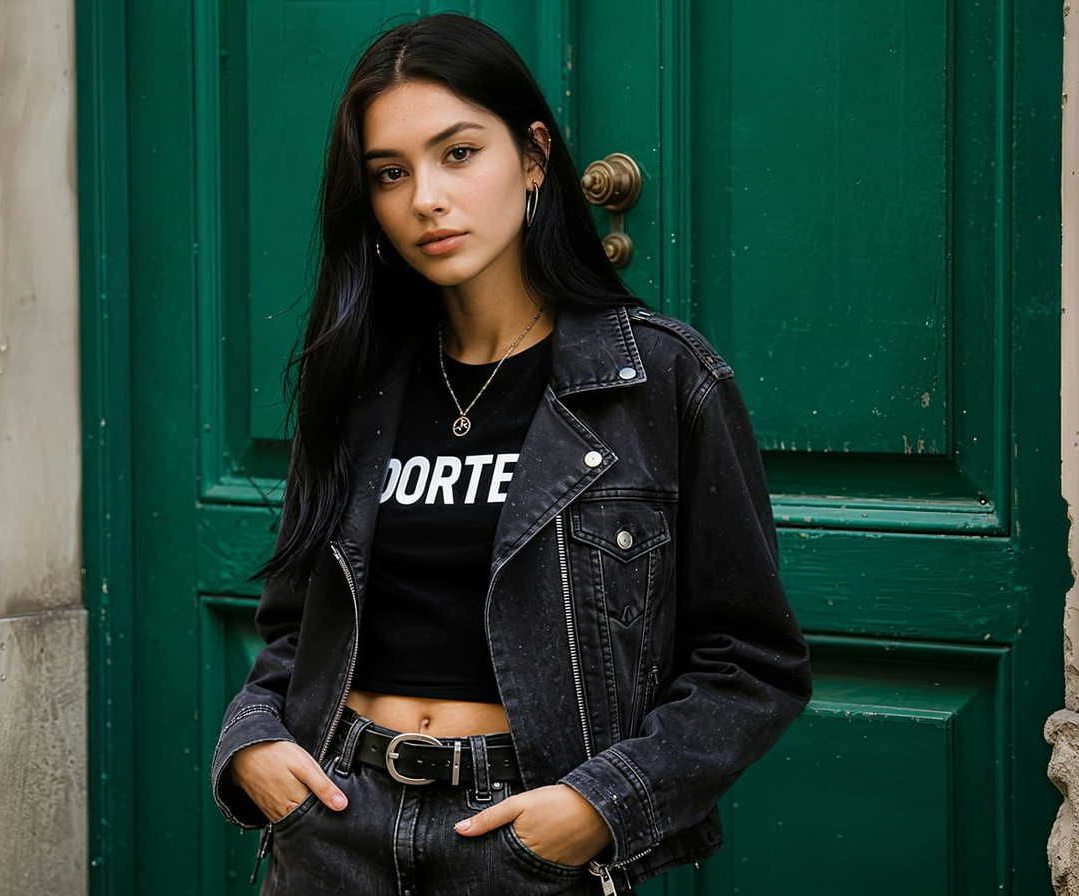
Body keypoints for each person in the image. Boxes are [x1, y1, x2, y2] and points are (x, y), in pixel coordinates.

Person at [210, 12, 813, 895]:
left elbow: (751, 663)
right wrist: (254, 741)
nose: (426, 198)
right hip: (334, 827)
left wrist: (601, 806)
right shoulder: (357, 383)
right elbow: (295, 629)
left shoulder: (658, 380)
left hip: (518, 841)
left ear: (533, 158)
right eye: (390, 172)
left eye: (458, 154)